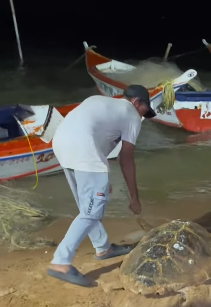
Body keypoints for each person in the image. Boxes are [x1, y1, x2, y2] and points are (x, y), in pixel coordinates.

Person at [47, 85, 156, 287]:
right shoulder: (131, 114)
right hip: (82, 148)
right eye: (144, 111)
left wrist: (101, 176)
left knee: (87, 204)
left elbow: (94, 134)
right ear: (136, 102)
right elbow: (126, 158)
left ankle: (103, 248)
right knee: (92, 210)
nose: (142, 117)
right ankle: (60, 262)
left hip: (61, 144)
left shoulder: (101, 101)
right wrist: (134, 198)